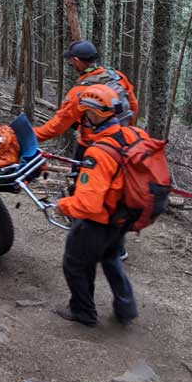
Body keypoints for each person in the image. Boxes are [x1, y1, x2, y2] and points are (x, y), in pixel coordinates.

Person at [34, 39, 138, 261]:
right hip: (121, 143)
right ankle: (118, 246)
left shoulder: (80, 92)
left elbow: (57, 126)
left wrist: (31, 136)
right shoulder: (116, 76)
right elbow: (134, 106)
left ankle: (90, 239)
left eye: (71, 61)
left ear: (76, 61)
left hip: (92, 148)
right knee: (114, 193)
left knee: (84, 191)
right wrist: (125, 133)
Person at [53, 84, 142, 327]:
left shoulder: (98, 153)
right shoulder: (133, 135)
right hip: (123, 216)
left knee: (75, 262)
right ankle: (126, 307)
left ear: (94, 115)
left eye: (86, 114)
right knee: (110, 256)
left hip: (99, 221)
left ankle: (83, 312)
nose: (83, 119)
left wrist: (64, 205)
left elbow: (88, 204)